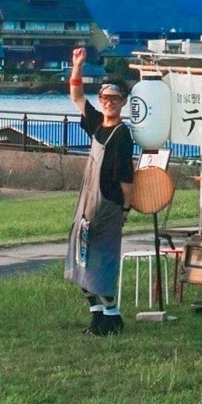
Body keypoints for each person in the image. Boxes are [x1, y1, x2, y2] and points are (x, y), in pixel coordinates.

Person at [65, 47, 134, 336]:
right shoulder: (96, 124)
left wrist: (126, 209)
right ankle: (97, 318)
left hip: (109, 206)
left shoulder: (122, 134)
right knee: (80, 258)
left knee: (101, 262)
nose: (109, 103)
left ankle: (113, 317)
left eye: (115, 99)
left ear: (123, 102)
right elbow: (77, 96)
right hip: (86, 204)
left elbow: (127, 178)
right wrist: (77, 65)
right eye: (105, 98)